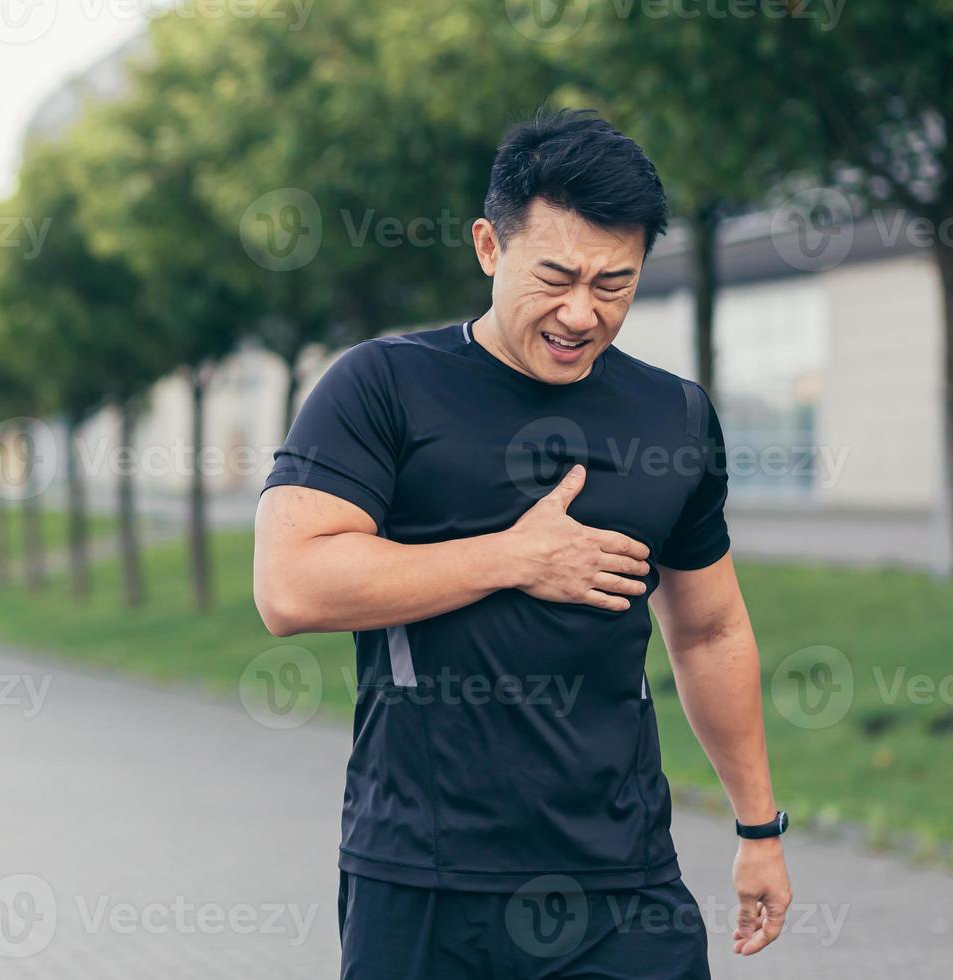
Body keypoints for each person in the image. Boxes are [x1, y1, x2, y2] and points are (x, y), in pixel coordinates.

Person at [253, 108, 792, 980]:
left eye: (614, 284)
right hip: (425, 883)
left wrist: (759, 827)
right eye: (557, 276)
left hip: (623, 886)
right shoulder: (382, 387)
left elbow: (710, 632)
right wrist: (514, 556)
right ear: (488, 248)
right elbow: (291, 586)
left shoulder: (673, 416)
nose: (582, 312)